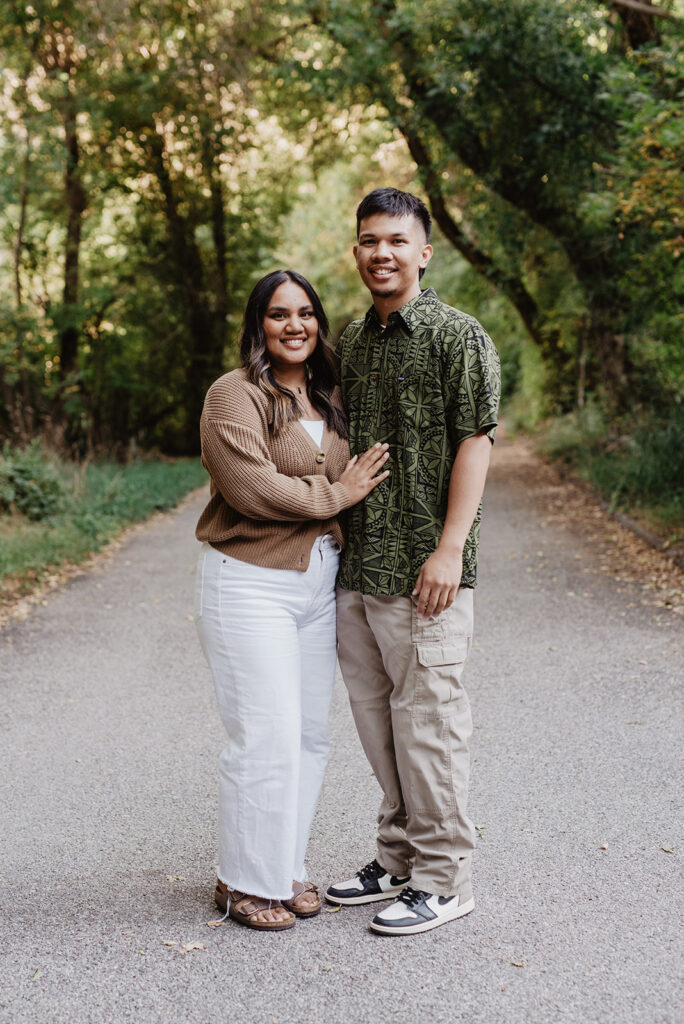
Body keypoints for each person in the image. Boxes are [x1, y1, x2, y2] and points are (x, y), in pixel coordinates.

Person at [325, 188, 501, 935]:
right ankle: (396, 858)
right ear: (357, 251)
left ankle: (444, 876)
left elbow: (476, 441)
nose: (381, 253)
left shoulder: (459, 337)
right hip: (359, 570)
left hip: (426, 572)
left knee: (430, 725)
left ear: (424, 251)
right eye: (369, 240)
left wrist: (451, 550)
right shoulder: (352, 343)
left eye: (397, 241)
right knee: (380, 727)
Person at [194, 269, 389, 932]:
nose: (295, 325)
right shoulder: (233, 395)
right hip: (249, 581)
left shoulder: (327, 396)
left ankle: (281, 867)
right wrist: (339, 495)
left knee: (308, 737)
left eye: (306, 313)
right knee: (266, 733)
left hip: (317, 581)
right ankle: (244, 883)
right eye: (280, 314)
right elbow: (254, 491)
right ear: (259, 324)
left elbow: (343, 474)